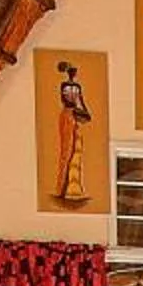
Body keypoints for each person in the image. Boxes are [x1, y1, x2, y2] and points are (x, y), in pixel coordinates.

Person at [52, 57, 94, 204]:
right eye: (72, 73)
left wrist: (84, 113)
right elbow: (67, 101)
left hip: (75, 116)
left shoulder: (76, 87)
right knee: (67, 149)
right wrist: (77, 109)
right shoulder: (66, 86)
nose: (73, 75)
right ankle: (61, 187)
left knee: (75, 149)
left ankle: (72, 186)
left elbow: (80, 101)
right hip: (68, 115)